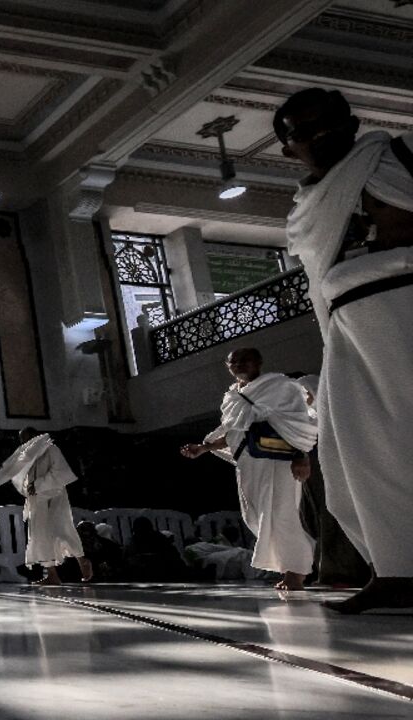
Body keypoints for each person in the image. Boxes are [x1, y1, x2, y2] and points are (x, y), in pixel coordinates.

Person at [276, 88, 413, 612]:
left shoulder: (399, 155)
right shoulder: (306, 206)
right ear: (290, 149)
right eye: (304, 131)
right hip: (349, 322)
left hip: (406, 298)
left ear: (352, 122)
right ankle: (398, 569)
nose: (320, 135)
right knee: (356, 450)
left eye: (329, 122)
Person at [181, 348, 316, 591]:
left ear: (259, 362)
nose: (240, 365)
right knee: (256, 516)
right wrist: (204, 448)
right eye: (234, 361)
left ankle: (297, 572)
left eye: (246, 360)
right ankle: (289, 568)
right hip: (250, 462)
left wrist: (301, 456)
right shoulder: (232, 396)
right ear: (228, 366)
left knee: (281, 514)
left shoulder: (280, 386)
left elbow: (297, 421)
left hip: (280, 461)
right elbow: (234, 432)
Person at [286, 373, 369, 588]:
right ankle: (331, 571)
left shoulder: (326, 409)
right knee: (317, 521)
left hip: (330, 468)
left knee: (335, 518)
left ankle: (343, 573)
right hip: (313, 470)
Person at [0, 428, 92, 586]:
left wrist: (38, 484)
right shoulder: (27, 457)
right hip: (37, 500)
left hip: (54, 496)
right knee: (40, 535)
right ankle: (52, 575)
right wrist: (29, 487)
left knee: (61, 529)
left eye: (28, 438)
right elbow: (24, 478)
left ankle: (82, 560)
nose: (26, 443)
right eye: (23, 440)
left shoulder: (51, 449)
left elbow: (61, 473)